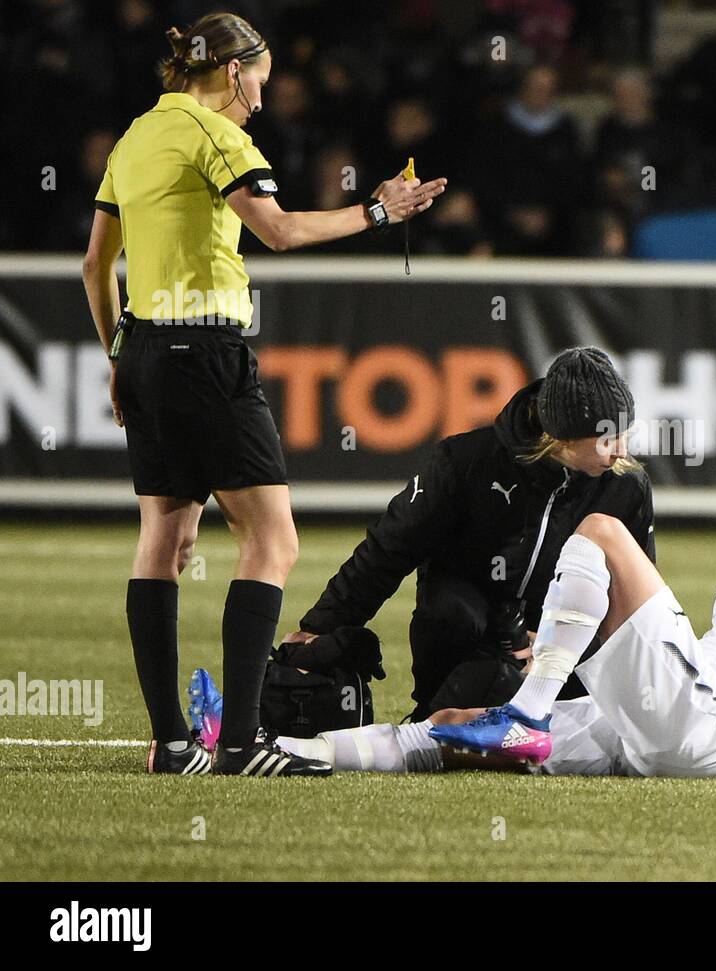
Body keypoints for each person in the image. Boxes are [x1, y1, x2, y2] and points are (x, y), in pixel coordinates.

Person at [81, 12, 447, 777]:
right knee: (273, 542)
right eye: (262, 81)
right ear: (236, 70)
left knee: (166, 541)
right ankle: (243, 742)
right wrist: (378, 210)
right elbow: (276, 231)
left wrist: (119, 351)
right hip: (205, 350)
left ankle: (173, 743)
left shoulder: (136, 136)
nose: (260, 99)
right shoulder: (219, 137)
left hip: (143, 347)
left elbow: (94, 266)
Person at [266, 405, 716, 788]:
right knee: (452, 728)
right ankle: (280, 750)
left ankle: (526, 711)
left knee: (603, 531)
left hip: (708, 725)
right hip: (658, 726)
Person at [286, 347, 656, 724]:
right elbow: (389, 548)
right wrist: (319, 628)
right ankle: (435, 709)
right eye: (606, 439)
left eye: (624, 434)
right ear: (560, 435)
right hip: (472, 632)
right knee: (452, 613)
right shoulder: (466, 463)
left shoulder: (626, 487)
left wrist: (555, 643)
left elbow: (634, 600)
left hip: (563, 644)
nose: (620, 452)